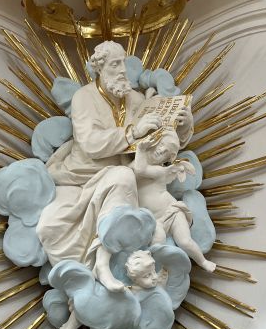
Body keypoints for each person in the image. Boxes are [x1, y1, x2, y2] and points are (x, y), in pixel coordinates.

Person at [38, 40, 193, 290]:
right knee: (50, 226)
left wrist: (183, 126)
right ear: (100, 69)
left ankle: (109, 264)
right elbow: (90, 143)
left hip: (125, 175)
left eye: (123, 62)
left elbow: (160, 142)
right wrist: (132, 133)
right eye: (114, 64)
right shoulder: (84, 97)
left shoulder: (136, 98)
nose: (122, 70)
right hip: (80, 177)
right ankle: (93, 272)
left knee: (123, 177)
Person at [132, 128, 216, 272]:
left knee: (185, 241)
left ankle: (203, 261)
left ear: (168, 159)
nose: (161, 150)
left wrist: (140, 148)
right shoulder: (134, 163)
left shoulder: (159, 170)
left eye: (166, 152)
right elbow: (135, 168)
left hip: (172, 211)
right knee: (156, 244)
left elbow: (140, 170)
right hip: (154, 220)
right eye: (161, 145)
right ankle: (154, 272)